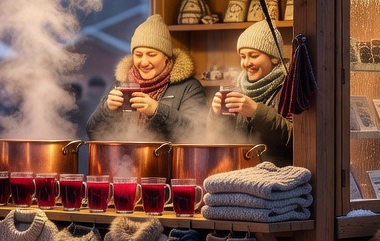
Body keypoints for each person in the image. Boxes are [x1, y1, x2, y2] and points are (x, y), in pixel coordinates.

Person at [86, 14, 207, 142]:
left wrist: (156, 110)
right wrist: (106, 109)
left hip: (168, 161)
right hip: (124, 160)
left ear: (166, 56)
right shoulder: (120, 85)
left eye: (151, 54)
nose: (144, 62)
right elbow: (93, 133)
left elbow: (197, 133)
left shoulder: (189, 87)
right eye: (138, 55)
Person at [211, 22, 293, 166]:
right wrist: (216, 115)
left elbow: (297, 137)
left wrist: (257, 112)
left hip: (279, 177)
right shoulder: (237, 88)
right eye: (243, 56)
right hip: (239, 172)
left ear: (274, 58)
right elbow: (217, 137)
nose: (246, 63)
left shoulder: (290, 89)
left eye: (254, 56)